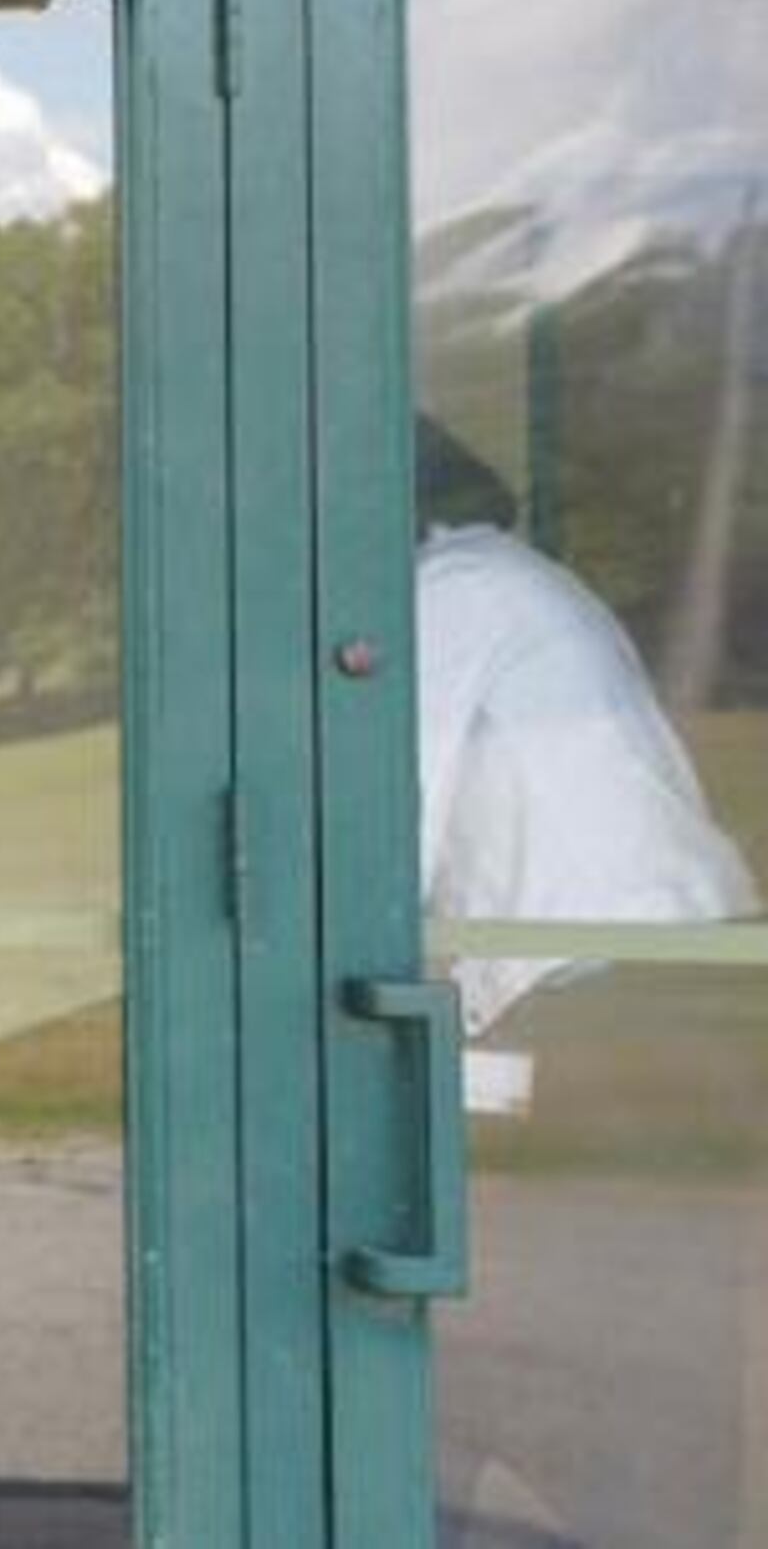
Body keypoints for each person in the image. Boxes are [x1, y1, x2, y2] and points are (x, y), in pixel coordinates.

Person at [414, 416, 761, 1546]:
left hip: (620, 999)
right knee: (632, 1361)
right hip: (664, 987)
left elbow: (375, 836)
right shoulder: (514, 583)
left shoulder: (450, 593)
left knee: (565, 1349)